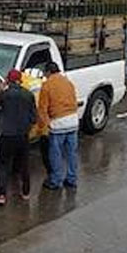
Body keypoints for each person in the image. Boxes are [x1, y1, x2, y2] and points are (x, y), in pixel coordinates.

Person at [0, 69, 37, 205]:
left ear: (8, 80)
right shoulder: (29, 95)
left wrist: (0, 89)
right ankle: (26, 192)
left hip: (7, 134)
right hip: (22, 135)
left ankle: (1, 195)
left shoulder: (5, 95)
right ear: (20, 80)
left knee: (3, 165)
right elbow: (34, 117)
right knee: (24, 164)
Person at [37, 62, 79, 190]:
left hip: (58, 124)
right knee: (72, 153)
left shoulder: (47, 86)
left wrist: (43, 128)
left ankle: (56, 180)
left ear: (48, 72)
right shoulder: (68, 82)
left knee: (55, 154)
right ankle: (72, 179)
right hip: (73, 121)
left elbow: (42, 110)